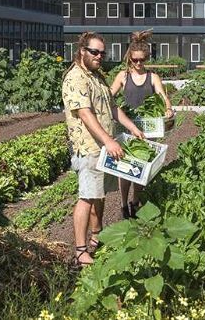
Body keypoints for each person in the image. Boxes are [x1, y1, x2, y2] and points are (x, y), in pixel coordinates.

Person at [62, 32, 145, 267]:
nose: (99, 56)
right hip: (89, 147)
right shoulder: (75, 78)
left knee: (99, 195)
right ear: (82, 51)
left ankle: (97, 237)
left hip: (103, 149)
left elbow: (112, 107)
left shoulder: (97, 76)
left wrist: (132, 128)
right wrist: (108, 141)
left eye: (102, 53)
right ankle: (80, 251)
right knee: (87, 197)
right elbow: (85, 114)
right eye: (94, 52)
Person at [110, 31, 174, 219]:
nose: (138, 63)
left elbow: (162, 96)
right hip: (127, 128)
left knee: (141, 167)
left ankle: (135, 202)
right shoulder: (123, 76)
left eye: (142, 60)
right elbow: (109, 95)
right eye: (135, 60)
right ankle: (123, 204)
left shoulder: (152, 77)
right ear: (130, 58)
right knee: (124, 168)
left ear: (146, 58)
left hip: (146, 129)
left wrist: (168, 108)